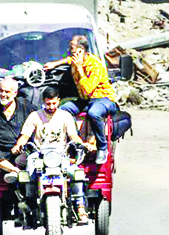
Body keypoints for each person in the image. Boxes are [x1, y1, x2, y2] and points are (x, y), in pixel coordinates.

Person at [12, 86, 94, 221]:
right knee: (29, 174)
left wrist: (82, 144)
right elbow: (25, 136)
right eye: (48, 103)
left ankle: (80, 205)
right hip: (39, 154)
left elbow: (73, 135)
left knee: (77, 173)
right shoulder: (35, 116)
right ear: (43, 102)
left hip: (61, 155)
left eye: (54, 103)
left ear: (59, 101)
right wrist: (18, 145)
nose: (51, 106)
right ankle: (29, 202)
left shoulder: (65, 116)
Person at [44, 36, 117, 165]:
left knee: (93, 113)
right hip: (85, 99)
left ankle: (102, 148)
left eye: (72, 47)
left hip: (103, 98)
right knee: (62, 109)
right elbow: (68, 59)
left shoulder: (95, 65)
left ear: (81, 50)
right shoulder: (75, 59)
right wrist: (55, 63)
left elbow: (88, 89)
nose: (69, 49)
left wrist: (79, 69)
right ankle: (76, 143)